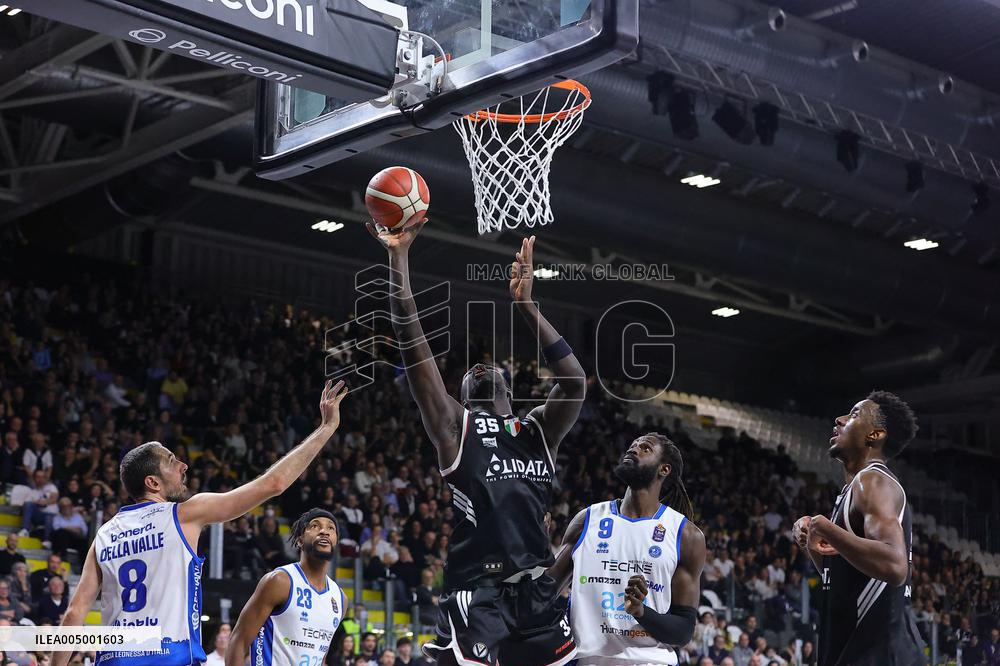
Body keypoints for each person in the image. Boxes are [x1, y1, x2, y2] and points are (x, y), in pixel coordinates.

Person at [368, 225, 586, 666]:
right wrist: (399, 258)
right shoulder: (456, 428)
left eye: (490, 367)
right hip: (479, 591)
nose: (481, 367)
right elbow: (412, 343)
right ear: (463, 397)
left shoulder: (538, 430)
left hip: (538, 589)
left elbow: (575, 381)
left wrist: (526, 307)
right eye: (471, 372)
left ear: (510, 389)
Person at [53, 380, 348, 666]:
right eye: (171, 461)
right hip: (169, 657)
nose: (183, 465)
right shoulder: (183, 513)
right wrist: (326, 428)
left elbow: (74, 613)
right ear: (152, 482)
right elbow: (275, 483)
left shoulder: (104, 534)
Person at [794, 391, 925, 666]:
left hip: (877, 655)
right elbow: (848, 577)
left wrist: (824, 527)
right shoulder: (853, 490)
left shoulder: (873, 482)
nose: (839, 419)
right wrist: (812, 542)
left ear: (875, 435)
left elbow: (894, 565)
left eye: (853, 415)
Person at [550, 433, 706, 666]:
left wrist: (642, 612)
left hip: (649, 661)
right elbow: (544, 592)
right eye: (632, 445)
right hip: (586, 660)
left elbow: (682, 632)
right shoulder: (587, 520)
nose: (633, 449)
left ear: (664, 469)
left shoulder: (686, 535)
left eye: (645, 448)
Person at [226, 509, 344, 666]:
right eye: (315, 526)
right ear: (300, 540)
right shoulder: (280, 581)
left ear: (335, 540)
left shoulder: (340, 598)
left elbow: (320, 656)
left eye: (331, 528)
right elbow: (238, 642)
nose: (324, 531)